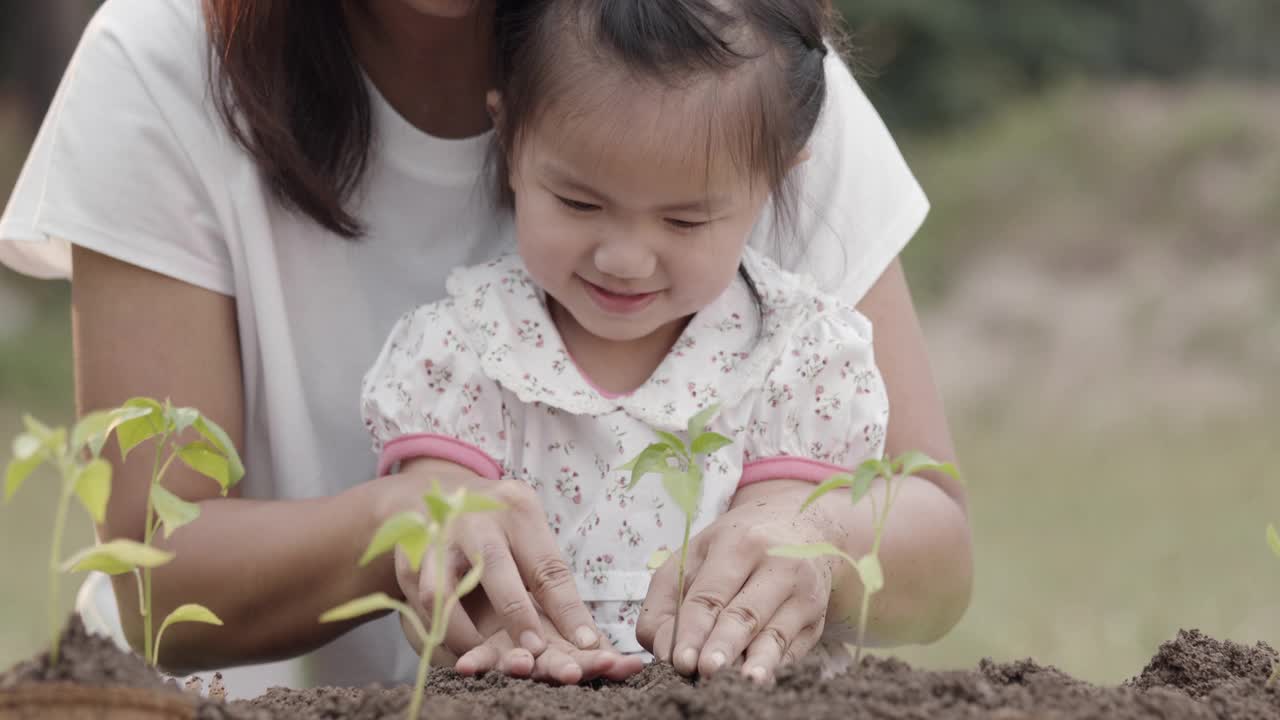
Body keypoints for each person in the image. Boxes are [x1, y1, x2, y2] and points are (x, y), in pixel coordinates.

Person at [0, 0, 971, 692]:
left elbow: (934, 543)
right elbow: (149, 572)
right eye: (579, 200)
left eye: (683, 220)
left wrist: (818, 537)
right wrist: (400, 529)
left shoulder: (731, 54)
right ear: (511, 140)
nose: (627, 255)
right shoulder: (165, 61)